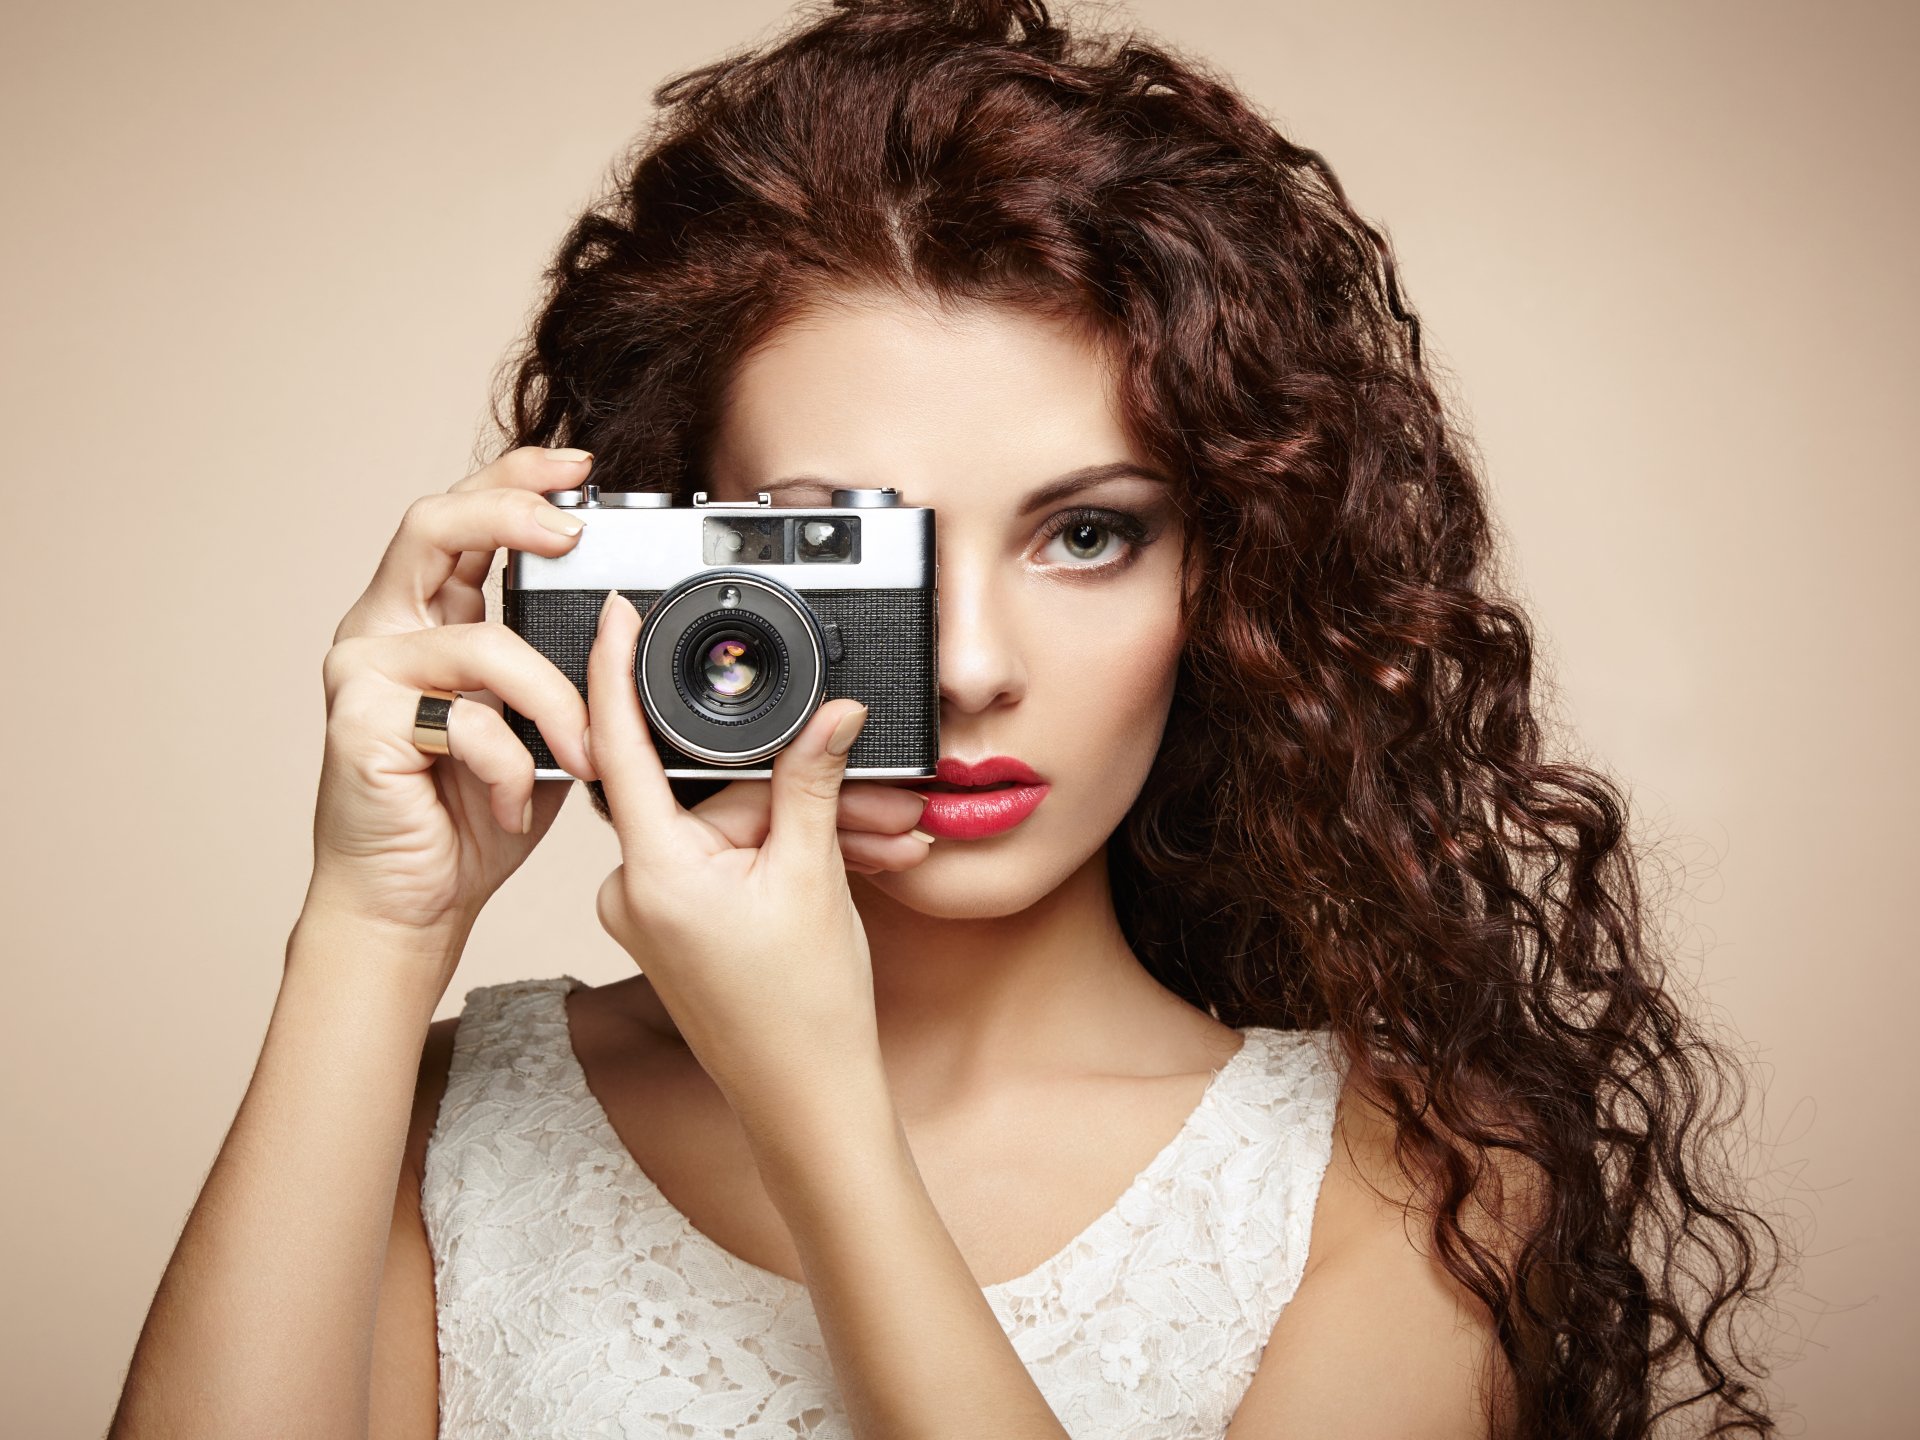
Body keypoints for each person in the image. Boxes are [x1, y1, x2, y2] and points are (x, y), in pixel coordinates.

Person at [107, 1, 1784, 1436]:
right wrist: (369, 929)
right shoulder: (442, 1126)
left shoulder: (1419, 1185)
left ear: (1236, 578)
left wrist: (819, 1104)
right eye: (846, 541)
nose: (970, 663)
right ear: (677, 567)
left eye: (1087, 534)